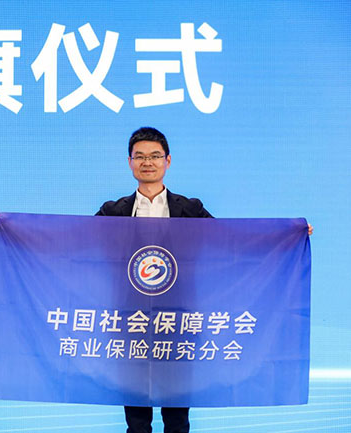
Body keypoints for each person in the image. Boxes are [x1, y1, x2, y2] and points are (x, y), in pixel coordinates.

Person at [97, 127, 312, 433]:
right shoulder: (113, 211)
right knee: (136, 413)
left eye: (155, 156)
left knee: (177, 412)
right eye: (140, 156)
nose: (147, 162)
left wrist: (286, 235)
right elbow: (78, 243)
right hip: (131, 317)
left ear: (168, 161)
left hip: (178, 318)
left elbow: (227, 240)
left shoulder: (190, 209)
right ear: (129, 162)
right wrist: (26, 232)